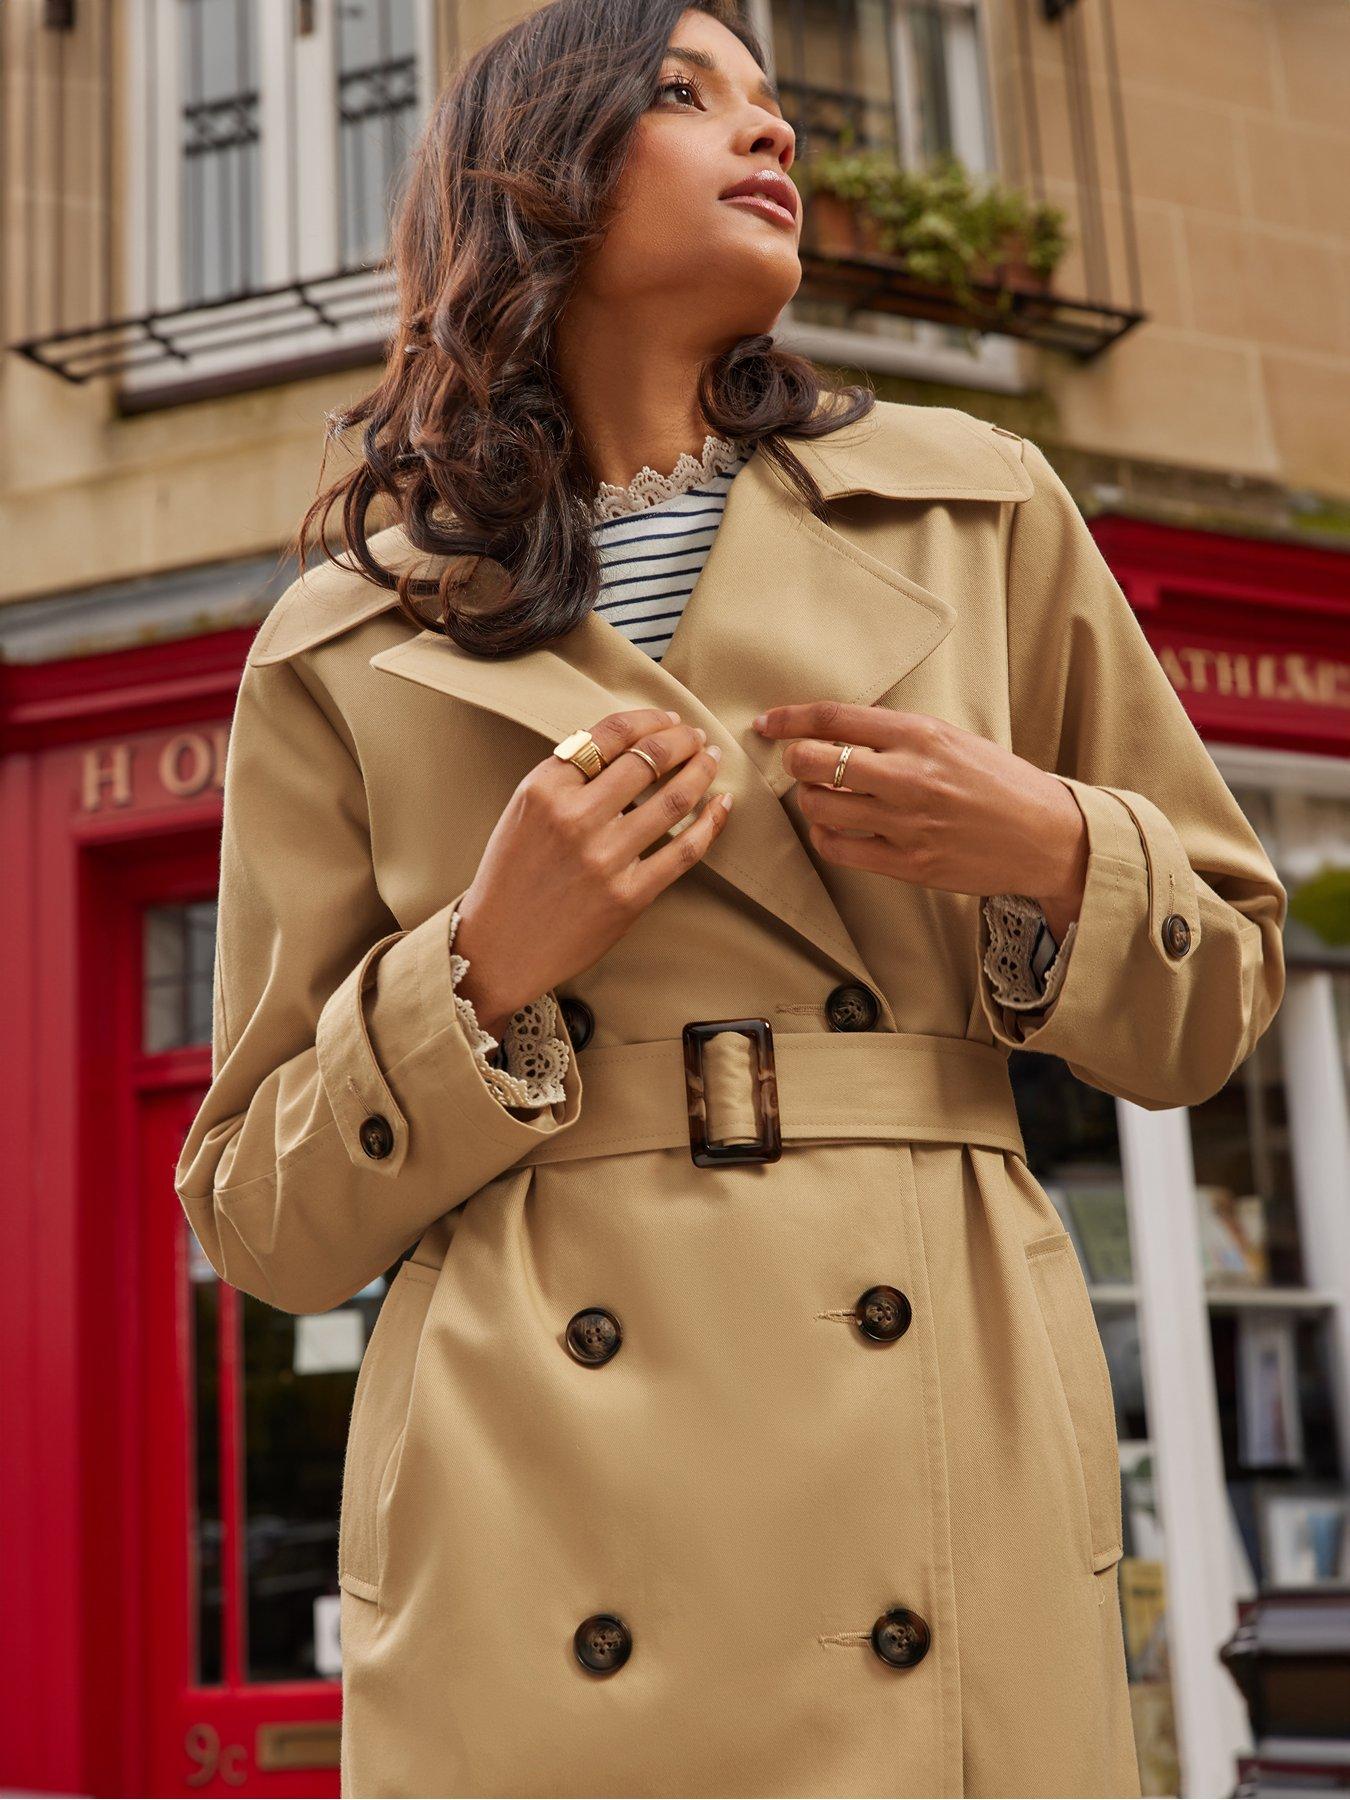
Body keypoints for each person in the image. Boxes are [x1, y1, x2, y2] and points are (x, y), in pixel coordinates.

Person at [174, 4, 1288, 1796]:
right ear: (531, 182)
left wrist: (1051, 847)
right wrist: (479, 970)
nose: (771, 133)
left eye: (776, 104)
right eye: (686, 98)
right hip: (533, 1504)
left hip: (926, 1441)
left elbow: (1215, 1003)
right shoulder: (351, 636)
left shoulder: (974, 510)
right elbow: (258, 1220)